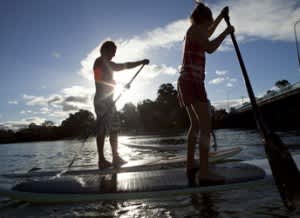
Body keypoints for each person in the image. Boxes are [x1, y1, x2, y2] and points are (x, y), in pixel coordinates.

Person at [177, 3, 234, 184]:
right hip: (193, 81)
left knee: (195, 124)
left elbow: (207, 33)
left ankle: (190, 163)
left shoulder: (194, 30)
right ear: (204, 20)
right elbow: (210, 47)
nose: (210, 26)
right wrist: (226, 33)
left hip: (186, 81)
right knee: (206, 126)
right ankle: (204, 172)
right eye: (209, 21)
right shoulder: (195, 31)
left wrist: (219, 17)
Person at [93, 40, 149, 169]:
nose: (114, 55)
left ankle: (115, 157)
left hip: (110, 101)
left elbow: (123, 66)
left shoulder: (109, 63)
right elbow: (99, 80)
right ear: (106, 50)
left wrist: (140, 62)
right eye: (113, 52)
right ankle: (101, 160)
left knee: (114, 128)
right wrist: (114, 86)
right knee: (102, 129)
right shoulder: (99, 61)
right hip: (102, 100)